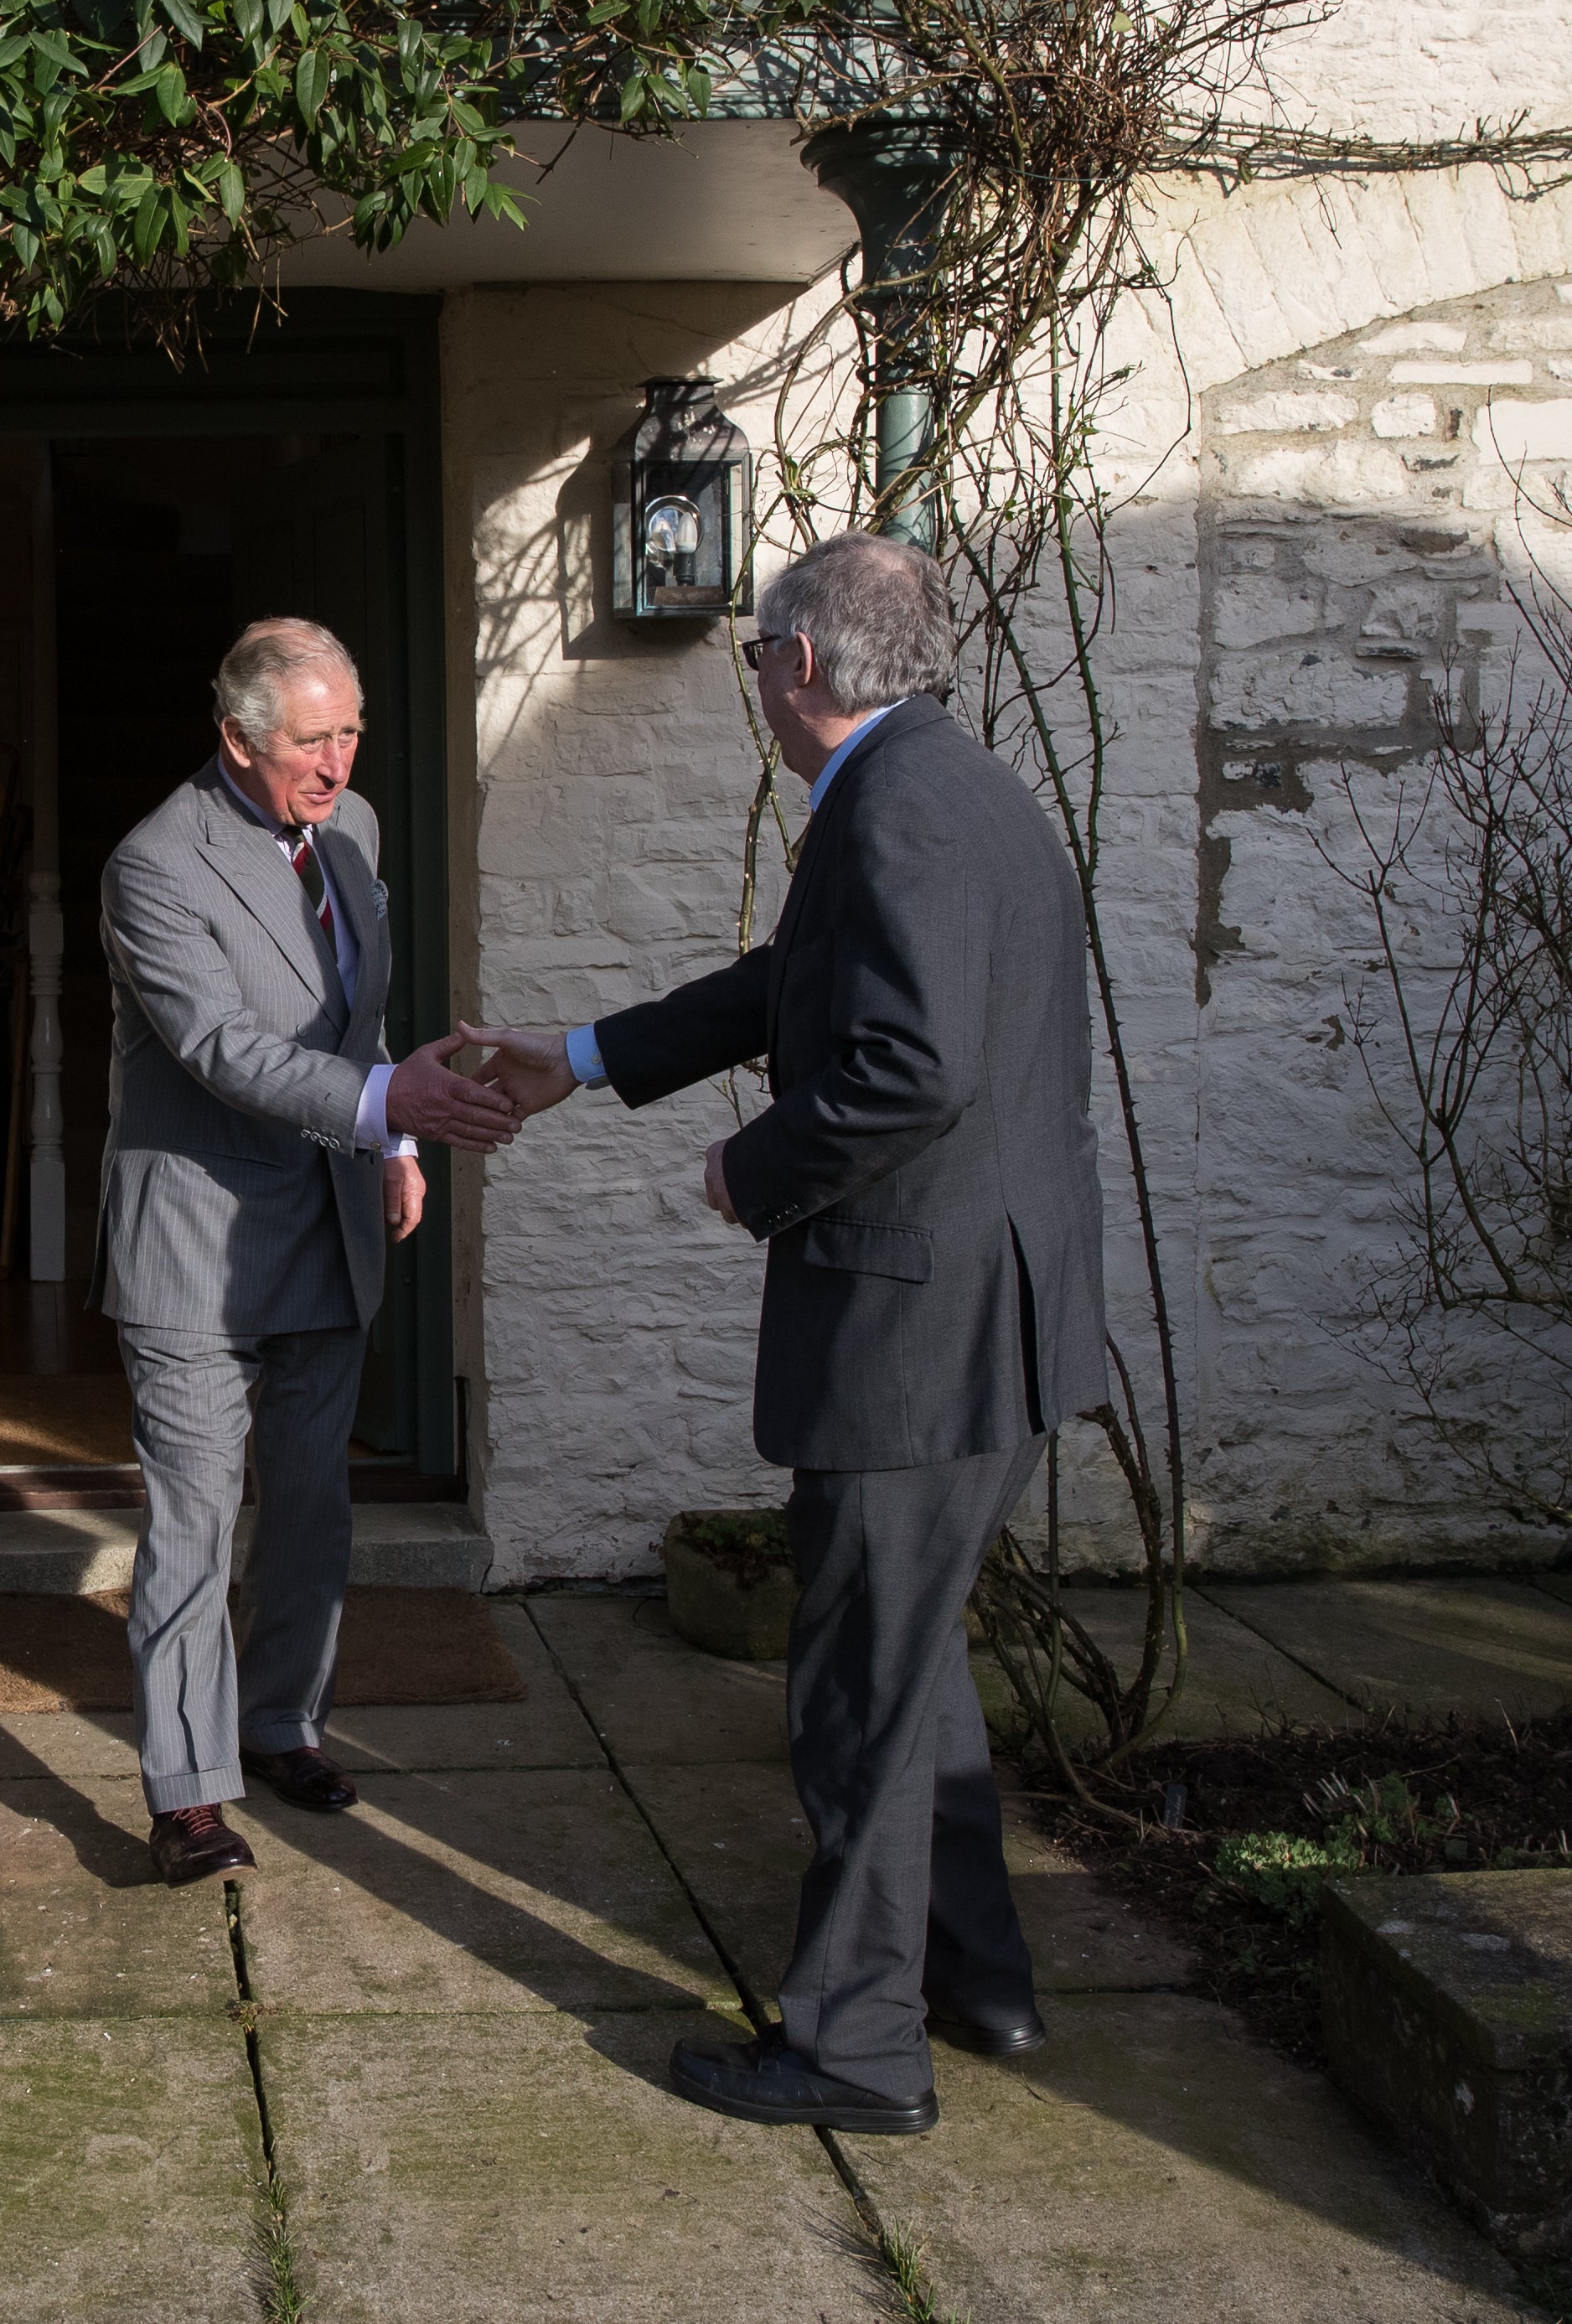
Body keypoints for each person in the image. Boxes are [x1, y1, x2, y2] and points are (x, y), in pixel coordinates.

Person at [468, 534, 1103, 2134]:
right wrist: (586, 1052)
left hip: (914, 1326)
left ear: (804, 665)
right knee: (908, 1677)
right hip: (979, 1316)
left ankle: (852, 2047)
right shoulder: (954, 790)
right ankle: (975, 1975)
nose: (750, 677)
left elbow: (911, 1070)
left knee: (853, 1700)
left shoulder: (893, 812)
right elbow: (797, 983)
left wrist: (752, 1171)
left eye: (754, 653)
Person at [96, 615, 523, 1887]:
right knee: (192, 1521)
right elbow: (218, 1046)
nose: (334, 762)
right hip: (193, 1241)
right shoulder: (153, 865)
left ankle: (279, 1721)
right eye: (308, 740)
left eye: (348, 732)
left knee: (311, 1508)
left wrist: (385, 1139)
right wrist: (388, 1109)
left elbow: (358, 1009)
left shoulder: (359, 831)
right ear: (234, 739)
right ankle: (185, 1792)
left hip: (329, 1217)